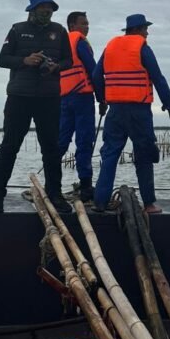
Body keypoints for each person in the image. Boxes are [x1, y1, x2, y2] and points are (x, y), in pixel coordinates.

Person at [0, 0, 72, 214]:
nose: (47, 11)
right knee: (9, 146)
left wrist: (56, 66)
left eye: (50, 8)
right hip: (19, 97)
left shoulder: (60, 31)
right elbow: (2, 60)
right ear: (33, 9)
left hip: (49, 98)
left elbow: (69, 61)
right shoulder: (17, 30)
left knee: (51, 149)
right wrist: (25, 60)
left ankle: (55, 195)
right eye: (43, 7)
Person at [91, 14, 170, 214]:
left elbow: (96, 75)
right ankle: (149, 204)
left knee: (110, 154)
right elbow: (158, 77)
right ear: (138, 30)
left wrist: (102, 99)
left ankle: (100, 202)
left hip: (115, 111)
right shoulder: (142, 47)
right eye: (146, 29)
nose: (147, 33)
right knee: (144, 155)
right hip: (138, 111)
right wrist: (169, 104)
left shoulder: (110, 47)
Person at [58, 11, 107, 201]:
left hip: (63, 99)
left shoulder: (60, 43)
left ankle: (52, 184)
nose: (87, 27)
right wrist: (102, 98)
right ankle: (86, 187)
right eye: (83, 24)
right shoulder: (79, 42)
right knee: (84, 142)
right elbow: (94, 72)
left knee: (61, 142)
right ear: (72, 26)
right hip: (82, 97)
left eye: (87, 23)